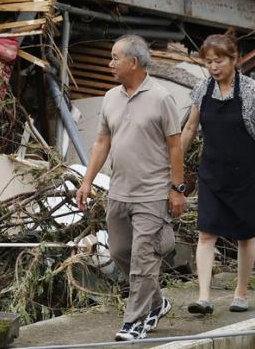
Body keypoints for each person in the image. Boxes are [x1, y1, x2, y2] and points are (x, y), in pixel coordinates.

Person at [75, 35, 185, 342]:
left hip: (152, 194)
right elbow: (101, 142)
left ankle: (134, 322)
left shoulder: (162, 98)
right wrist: (86, 181)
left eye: (114, 58)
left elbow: (175, 147)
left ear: (133, 62)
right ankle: (157, 303)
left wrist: (177, 189)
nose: (110, 64)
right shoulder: (110, 97)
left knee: (142, 258)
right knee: (120, 250)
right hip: (119, 191)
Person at [181, 34, 255, 315]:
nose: (213, 67)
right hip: (212, 172)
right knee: (206, 232)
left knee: (245, 235)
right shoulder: (202, 89)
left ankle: (241, 292)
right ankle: (203, 298)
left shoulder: (250, 89)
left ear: (234, 60)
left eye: (219, 60)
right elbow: (190, 129)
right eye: (209, 61)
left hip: (247, 172)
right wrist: (172, 164)